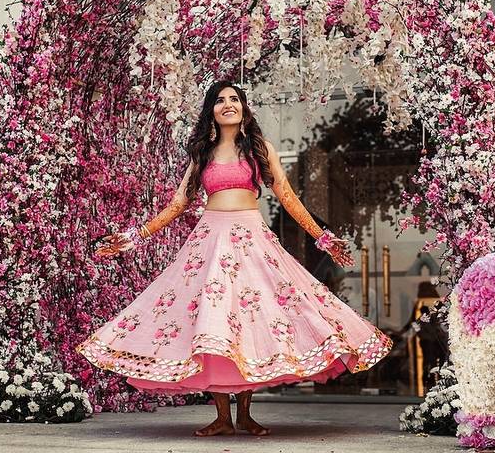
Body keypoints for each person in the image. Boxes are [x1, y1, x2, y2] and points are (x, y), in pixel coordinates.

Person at [76, 80, 392, 436]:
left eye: (234, 99)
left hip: (251, 240)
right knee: (214, 321)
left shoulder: (260, 150)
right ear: (211, 110)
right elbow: (179, 204)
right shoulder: (204, 155)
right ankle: (223, 418)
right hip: (210, 243)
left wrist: (322, 237)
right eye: (220, 100)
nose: (228, 104)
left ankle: (245, 415)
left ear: (243, 108)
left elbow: (287, 196)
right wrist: (136, 236)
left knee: (250, 320)